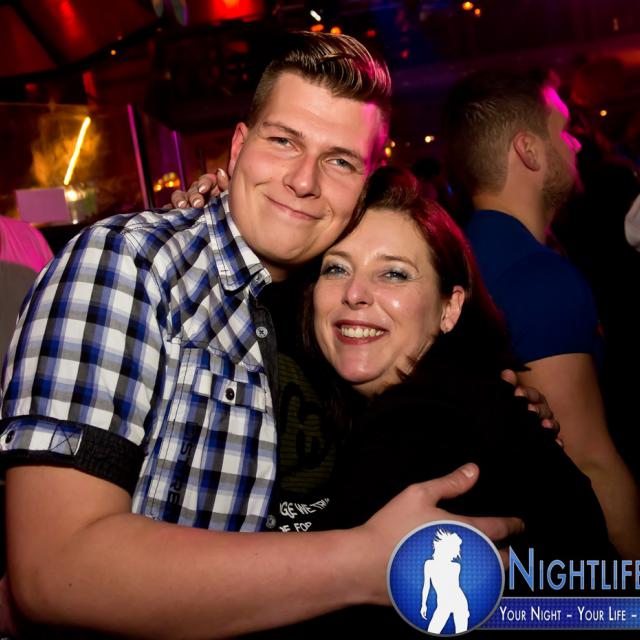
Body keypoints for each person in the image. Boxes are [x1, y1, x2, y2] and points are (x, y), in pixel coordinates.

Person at [0, 32, 524, 637]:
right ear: (238, 147)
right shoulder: (129, 264)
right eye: (283, 141)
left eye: (339, 161)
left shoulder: (318, 299)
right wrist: (362, 562)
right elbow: (57, 570)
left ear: (363, 184)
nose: (303, 180)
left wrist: (495, 402)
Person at [442, 68, 640, 558]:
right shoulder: (536, 276)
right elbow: (591, 463)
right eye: (564, 130)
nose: (576, 144)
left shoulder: (458, 255)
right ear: (529, 149)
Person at [421, 530, 468, 634]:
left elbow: (455, 587)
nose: (457, 552)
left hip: (459, 602)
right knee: (432, 631)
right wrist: (423, 604)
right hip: (443, 604)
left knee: (461, 631)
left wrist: (464, 610)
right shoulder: (429, 564)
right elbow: (426, 586)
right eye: (455, 548)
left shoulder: (456, 567)